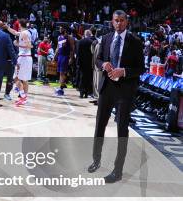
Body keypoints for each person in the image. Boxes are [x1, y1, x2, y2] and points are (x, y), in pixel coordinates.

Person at [88, 10, 144, 183]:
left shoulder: (135, 42)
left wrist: (124, 71)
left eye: (121, 21)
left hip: (125, 90)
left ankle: (117, 170)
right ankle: (96, 160)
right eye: (115, 21)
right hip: (107, 88)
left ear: (127, 22)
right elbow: (97, 60)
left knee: (122, 130)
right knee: (99, 126)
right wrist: (103, 63)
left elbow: (141, 68)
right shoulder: (105, 39)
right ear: (112, 22)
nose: (118, 24)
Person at [3, 20, 33, 106]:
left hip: (23, 58)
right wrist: (8, 28)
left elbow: (29, 45)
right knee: (25, 80)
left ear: (20, 24)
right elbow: (15, 32)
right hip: (27, 57)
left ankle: (23, 97)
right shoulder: (27, 32)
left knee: (15, 78)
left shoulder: (24, 33)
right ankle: (24, 98)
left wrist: (17, 45)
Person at [54, 26, 75, 96]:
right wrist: (54, 56)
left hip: (65, 56)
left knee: (62, 73)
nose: (59, 29)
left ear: (64, 29)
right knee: (60, 72)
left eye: (61, 28)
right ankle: (62, 85)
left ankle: (61, 88)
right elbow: (57, 47)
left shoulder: (69, 37)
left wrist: (71, 58)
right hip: (60, 56)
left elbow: (72, 49)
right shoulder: (59, 37)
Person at [76, 30, 95, 98]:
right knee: (88, 78)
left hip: (81, 62)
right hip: (89, 63)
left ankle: (81, 93)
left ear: (84, 34)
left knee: (82, 77)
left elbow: (78, 53)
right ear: (89, 35)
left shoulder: (80, 42)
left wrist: (77, 63)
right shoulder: (92, 42)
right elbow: (94, 54)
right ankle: (86, 93)